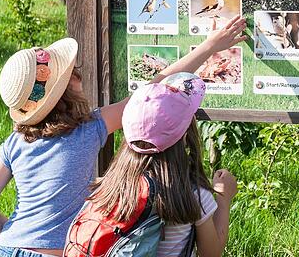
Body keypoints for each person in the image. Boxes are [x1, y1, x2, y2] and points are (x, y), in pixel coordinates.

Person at [0, 16, 247, 257]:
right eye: (74, 74)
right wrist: (210, 46)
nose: (80, 74)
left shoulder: (15, 142)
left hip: (4, 247)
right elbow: (151, 93)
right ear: (65, 92)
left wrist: (19, 237)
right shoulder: (87, 130)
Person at [84, 72, 237, 257]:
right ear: (185, 134)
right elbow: (211, 253)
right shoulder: (192, 193)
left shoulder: (111, 185)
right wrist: (223, 198)